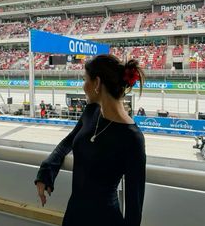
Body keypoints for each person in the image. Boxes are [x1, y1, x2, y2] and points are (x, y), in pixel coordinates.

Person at [35, 54, 146, 226]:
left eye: (85, 79)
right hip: (73, 216)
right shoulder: (91, 112)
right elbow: (68, 142)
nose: (83, 86)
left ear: (97, 83)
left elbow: (134, 207)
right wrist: (47, 169)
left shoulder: (132, 138)